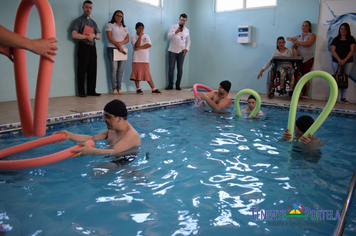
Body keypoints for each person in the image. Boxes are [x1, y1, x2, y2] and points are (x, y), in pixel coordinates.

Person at [56, 99, 141, 157]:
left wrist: (91, 151)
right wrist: (69, 135)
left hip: (126, 162)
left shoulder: (131, 135)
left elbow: (114, 151)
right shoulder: (112, 130)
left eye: (107, 117)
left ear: (119, 119)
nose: (104, 119)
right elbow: (92, 138)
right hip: (112, 157)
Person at [71, 0, 101, 97]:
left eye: (90, 7)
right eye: (87, 7)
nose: (88, 9)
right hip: (83, 46)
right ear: (83, 7)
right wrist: (85, 37)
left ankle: (91, 90)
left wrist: (93, 36)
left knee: (93, 69)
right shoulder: (78, 21)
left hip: (92, 47)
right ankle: (81, 91)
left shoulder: (93, 22)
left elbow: (98, 36)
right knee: (82, 69)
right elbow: (74, 34)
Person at [130, 22, 161, 95]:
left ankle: (153, 89)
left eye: (142, 28)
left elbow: (149, 45)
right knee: (137, 73)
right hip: (136, 58)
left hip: (145, 58)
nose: (141, 30)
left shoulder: (146, 36)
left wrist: (139, 48)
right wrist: (140, 36)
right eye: (139, 28)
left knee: (147, 73)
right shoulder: (133, 36)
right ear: (136, 29)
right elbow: (136, 45)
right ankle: (138, 89)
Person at [330, 22, 356, 104]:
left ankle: (343, 97)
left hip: (348, 61)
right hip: (336, 61)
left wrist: (344, 60)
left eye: (344, 29)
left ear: (347, 30)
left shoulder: (351, 39)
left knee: (344, 78)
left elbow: (352, 50)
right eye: (341, 29)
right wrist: (339, 60)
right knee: (336, 79)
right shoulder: (336, 39)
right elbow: (333, 50)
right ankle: (334, 97)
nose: (343, 30)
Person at [106, 10, 129, 95]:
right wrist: (117, 45)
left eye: (121, 16)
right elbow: (109, 36)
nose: (119, 17)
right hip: (112, 49)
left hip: (122, 50)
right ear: (114, 16)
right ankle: (114, 88)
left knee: (120, 70)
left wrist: (120, 45)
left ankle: (119, 87)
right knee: (114, 69)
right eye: (118, 15)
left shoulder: (124, 27)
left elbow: (127, 38)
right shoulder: (110, 25)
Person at [292, 21, 316, 100]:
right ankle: (299, 93)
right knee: (299, 76)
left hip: (308, 58)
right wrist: (294, 49)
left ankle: (306, 94)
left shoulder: (312, 35)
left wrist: (298, 42)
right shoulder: (298, 36)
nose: (304, 27)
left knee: (306, 76)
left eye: (306, 26)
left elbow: (309, 43)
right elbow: (294, 46)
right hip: (299, 59)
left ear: (309, 27)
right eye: (303, 26)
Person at [166, 13, 191, 90]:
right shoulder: (173, 27)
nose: (182, 21)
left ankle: (178, 85)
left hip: (181, 52)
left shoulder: (187, 30)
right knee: (171, 68)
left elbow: (188, 40)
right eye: (181, 20)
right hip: (172, 51)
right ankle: (170, 84)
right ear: (179, 19)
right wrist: (176, 32)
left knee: (180, 69)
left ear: (186, 21)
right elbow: (168, 37)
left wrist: (187, 49)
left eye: (184, 20)